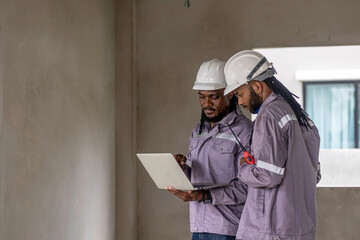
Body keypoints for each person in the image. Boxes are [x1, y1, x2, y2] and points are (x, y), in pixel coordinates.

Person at [223, 50, 321, 240]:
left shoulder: (268, 116)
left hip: (270, 230)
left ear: (257, 86)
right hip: (300, 228)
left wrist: (244, 167)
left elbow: (268, 176)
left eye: (240, 94)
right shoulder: (299, 115)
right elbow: (313, 174)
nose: (240, 101)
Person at [166, 59, 252, 240]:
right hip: (199, 227)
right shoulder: (198, 131)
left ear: (231, 95)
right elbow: (195, 178)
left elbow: (247, 187)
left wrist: (205, 196)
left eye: (214, 96)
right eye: (201, 96)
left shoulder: (245, 131)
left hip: (228, 230)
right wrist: (182, 168)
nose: (206, 103)